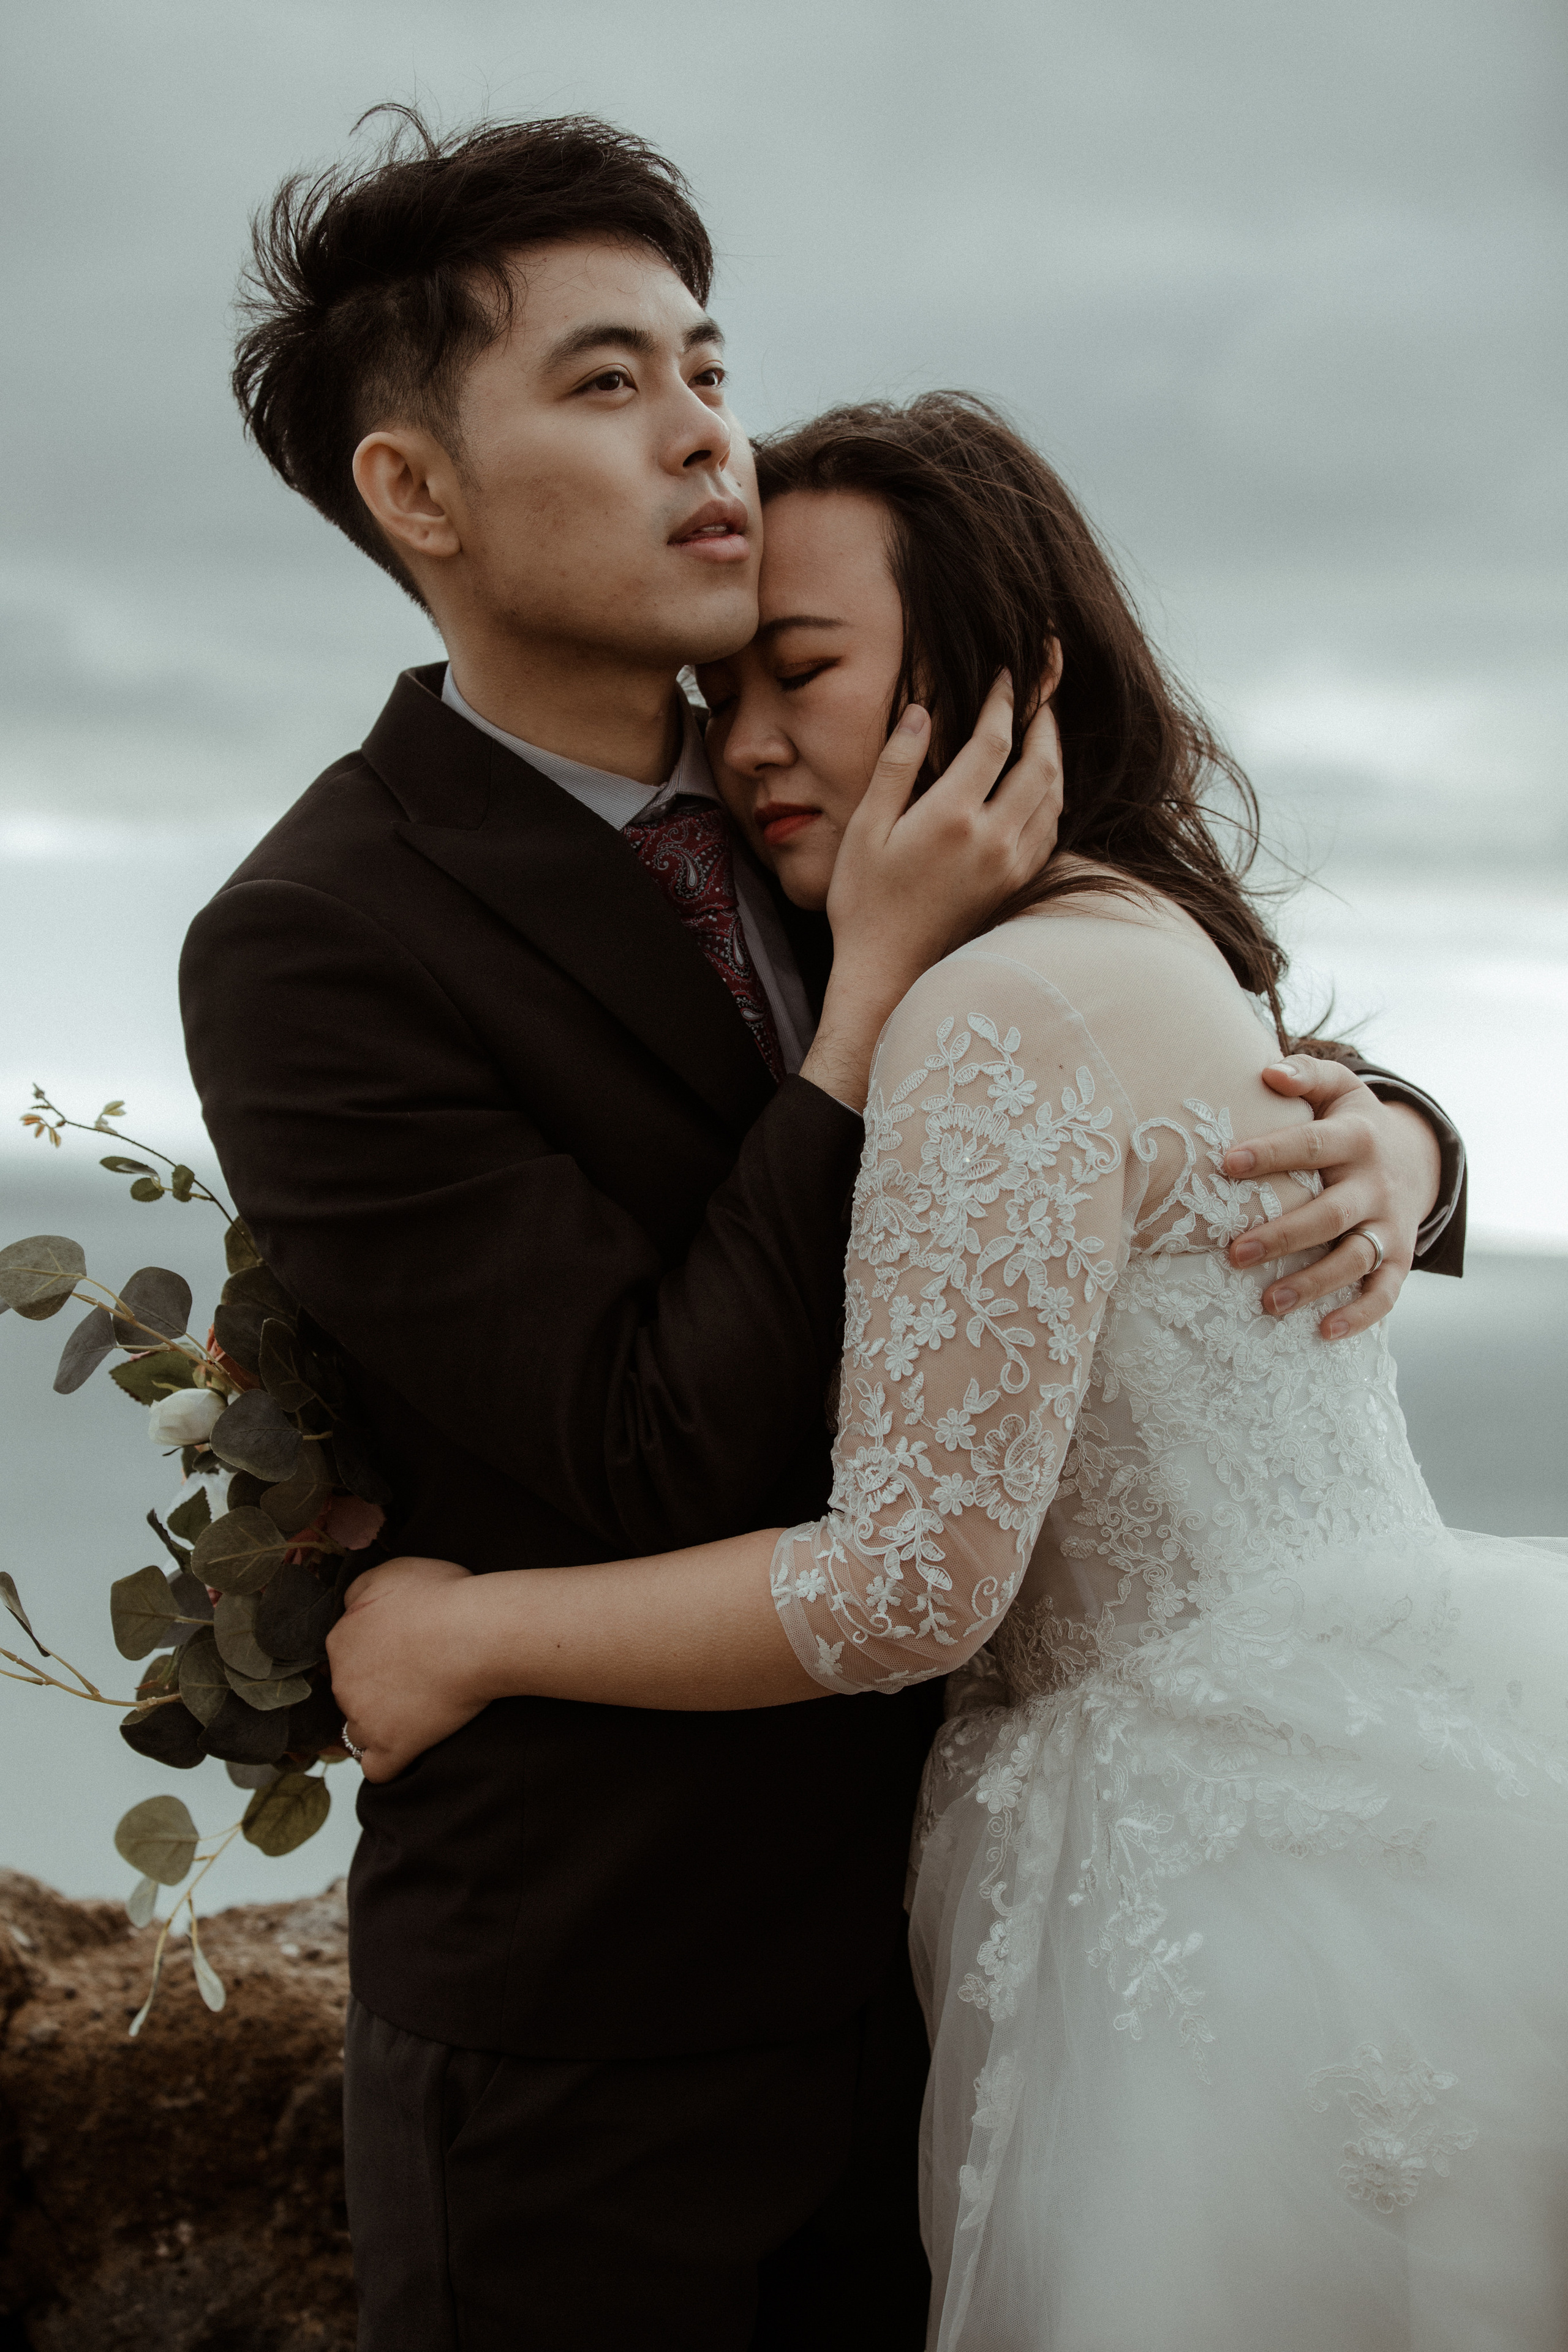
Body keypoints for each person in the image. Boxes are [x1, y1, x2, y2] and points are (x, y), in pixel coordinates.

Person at [184, 110, 1463, 2350]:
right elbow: (644, 1439)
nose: (706, 437)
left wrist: (1408, 1139)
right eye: (606, 384)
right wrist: (862, 1013)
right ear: (416, 493)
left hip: (1003, 1969)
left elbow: (1129, 1089)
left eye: (705, 362)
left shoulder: (851, 781)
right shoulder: (319, 941)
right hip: (608, 2033)